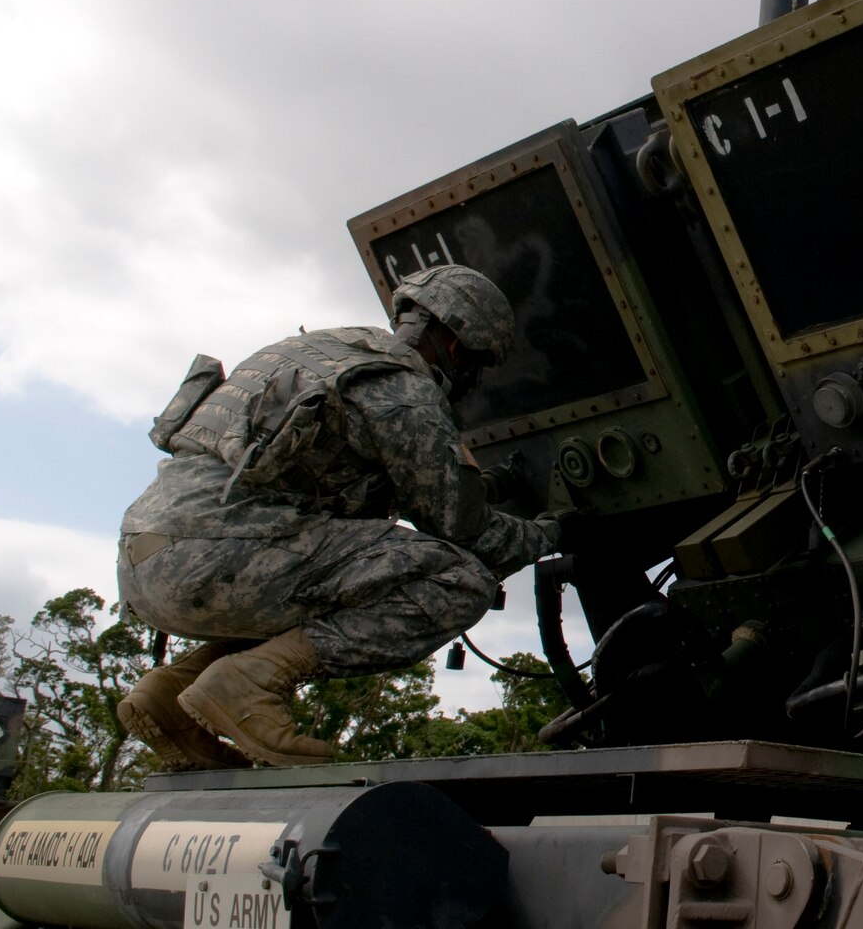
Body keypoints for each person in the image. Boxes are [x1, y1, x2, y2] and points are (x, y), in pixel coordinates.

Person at [116, 265, 559, 769]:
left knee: (330, 582)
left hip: (148, 555)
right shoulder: (404, 389)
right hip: (220, 557)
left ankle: (169, 693)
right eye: (477, 366)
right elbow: (462, 526)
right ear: (459, 348)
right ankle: (250, 683)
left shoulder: (325, 351)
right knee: (458, 578)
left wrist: (488, 485)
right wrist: (546, 533)